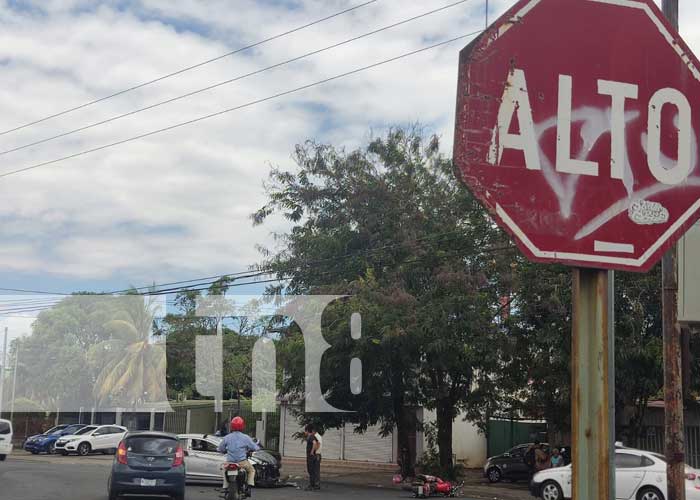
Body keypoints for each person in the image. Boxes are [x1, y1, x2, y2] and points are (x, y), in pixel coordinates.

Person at [217, 416, 260, 498]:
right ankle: (248, 487)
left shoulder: (227, 437)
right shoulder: (246, 437)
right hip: (242, 463)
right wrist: (254, 449)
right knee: (252, 470)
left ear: (231, 426)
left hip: (230, 463)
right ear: (242, 426)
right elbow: (255, 448)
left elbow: (221, 448)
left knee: (223, 468)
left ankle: (225, 486)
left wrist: (224, 451)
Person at [304, 424, 321, 491]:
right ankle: (313, 485)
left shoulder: (310, 437)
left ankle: (312, 485)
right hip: (313, 456)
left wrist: (312, 451)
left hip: (310, 457)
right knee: (313, 471)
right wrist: (315, 451)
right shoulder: (314, 436)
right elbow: (318, 443)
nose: (304, 432)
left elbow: (314, 443)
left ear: (307, 431)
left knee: (311, 471)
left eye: (305, 431)